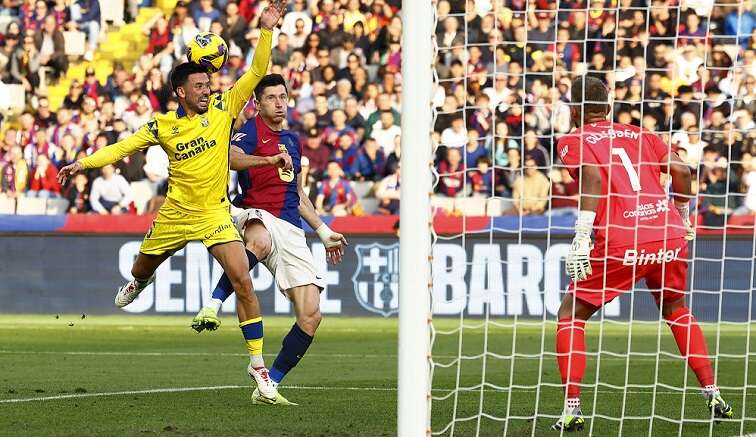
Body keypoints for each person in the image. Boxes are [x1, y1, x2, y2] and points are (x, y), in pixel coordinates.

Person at [57, 0, 291, 405]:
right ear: (181, 92)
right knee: (140, 267)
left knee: (243, 279)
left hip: (215, 213)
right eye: (199, 87)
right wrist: (83, 163)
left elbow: (255, 72)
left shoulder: (224, 108)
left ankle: (258, 366)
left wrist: (267, 30)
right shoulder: (162, 125)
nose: (207, 91)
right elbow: (122, 146)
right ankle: (139, 281)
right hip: (175, 215)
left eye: (208, 85)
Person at [552, 76, 733, 431]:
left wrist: (582, 235)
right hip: (666, 234)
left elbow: (592, 179)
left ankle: (572, 407)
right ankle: (712, 391)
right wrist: (681, 215)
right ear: (608, 106)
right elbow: (681, 170)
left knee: (570, 314)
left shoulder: (573, 140)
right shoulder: (641, 134)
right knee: (676, 310)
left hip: (620, 238)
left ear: (574, 109)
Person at [191, 74, 348, 405]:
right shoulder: (250, 130)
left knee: (311, 315)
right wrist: (266, 160)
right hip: (255, 212)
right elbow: (230, 159)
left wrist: (323, 231)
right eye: (272, 97)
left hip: (291, 229)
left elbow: (299, 193)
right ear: (258, 103)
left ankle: (269, 384)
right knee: (258, 242)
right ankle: (212, 304)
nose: (279, 102)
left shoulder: (293, 140)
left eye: (283, 96)